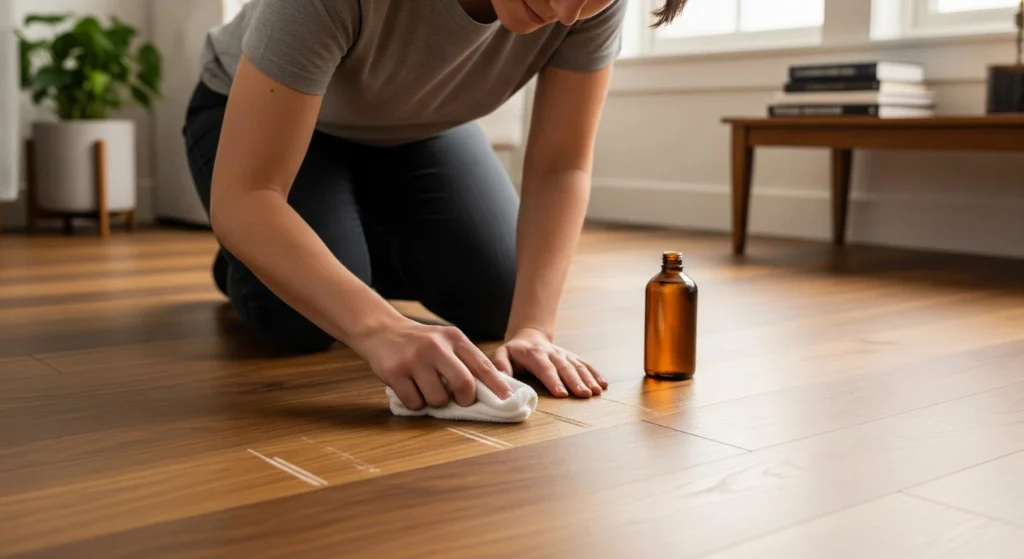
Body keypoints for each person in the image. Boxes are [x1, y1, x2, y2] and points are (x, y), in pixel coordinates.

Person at [182, 0, 685, 412]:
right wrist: (380, 328)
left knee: (499, 301)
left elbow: (561, 166)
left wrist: (533, 328)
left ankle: (336, 241)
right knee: (304, 322)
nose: (571, 11)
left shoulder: (591, 5)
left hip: (419, 128)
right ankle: (254, 257)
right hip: (265, 120)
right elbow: (248, 195)